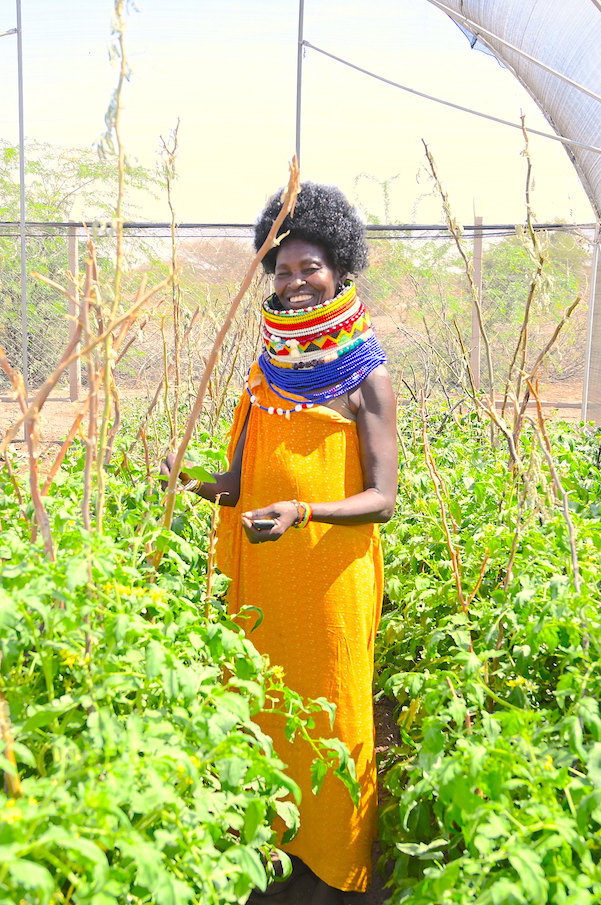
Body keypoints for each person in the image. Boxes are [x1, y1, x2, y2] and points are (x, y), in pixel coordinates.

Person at [164, 183, 397, 902]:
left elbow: (383, 499)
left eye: (309, 269)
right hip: (263, 578)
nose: (294, 284)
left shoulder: (367, 376)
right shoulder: (264, 373)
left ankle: (334, 867)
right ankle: (271, 848)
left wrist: (305, 509)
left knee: (333, 709)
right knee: (263, 706)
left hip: (328, 577)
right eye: (283, 271)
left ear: (341, 272)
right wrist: (186, 479)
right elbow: (238, 483)